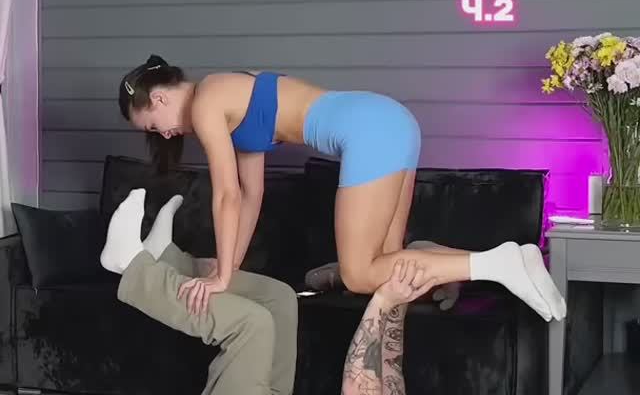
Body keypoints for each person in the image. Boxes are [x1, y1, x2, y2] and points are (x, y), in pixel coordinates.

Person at [101, 190, 526, 395]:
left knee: (252, 326)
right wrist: (400, 295)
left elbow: (356, 387)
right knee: (280, 301)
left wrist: (381, 301)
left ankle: (132, 269)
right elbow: (388, 365)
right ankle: (166, 259)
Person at [117, 56, 566, 325]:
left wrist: (219, 280)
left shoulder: (206, 101)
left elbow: (225, 196)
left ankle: (499, 262)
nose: (166, 135)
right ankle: (464, 267)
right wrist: (228, 268)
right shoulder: (227, 92)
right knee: (389, 273)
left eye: (154, 126)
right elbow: (250, 196)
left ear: (159, 99)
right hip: (390, 119)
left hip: (368, 131)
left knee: (357, 274)